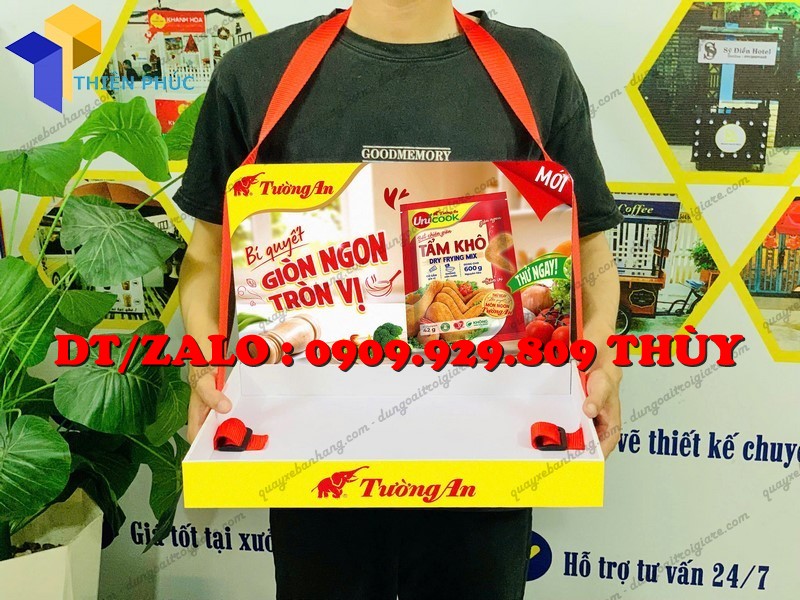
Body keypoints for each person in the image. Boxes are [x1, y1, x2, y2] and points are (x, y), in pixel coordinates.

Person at [175, 1, 622, 598]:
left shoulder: (536, 68)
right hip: (314, 459)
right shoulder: (256, 73)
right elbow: (208, 254)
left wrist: (599, 356)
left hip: (490, 454)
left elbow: (590, 249)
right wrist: (205, 359)